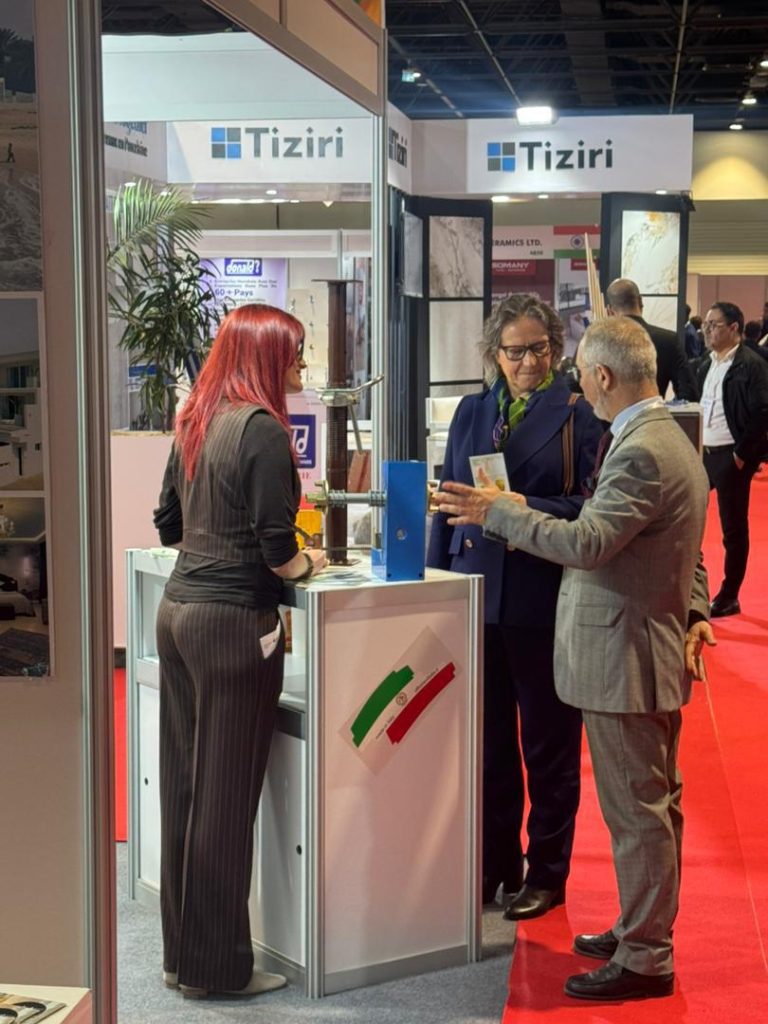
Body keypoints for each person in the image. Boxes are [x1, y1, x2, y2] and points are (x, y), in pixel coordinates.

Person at [436, 315, 715, 1002]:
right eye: (517, 351)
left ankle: (645, 953)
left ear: (603, 375)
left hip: (620, 651)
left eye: (566, 363)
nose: (555, 373)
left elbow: (589, 541)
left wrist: (500, 511)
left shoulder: (637, 447)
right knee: (646, 807)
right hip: (609, 638)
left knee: (636, 811)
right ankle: (638, 929)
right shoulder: (661, 437)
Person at [153, 304, 327, 999]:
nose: (301, 366)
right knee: (224, 802)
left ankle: (182, 957)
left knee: (185, 789)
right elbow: (278, 549)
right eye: (295, 352)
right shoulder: (261, 430)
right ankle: (218, 969)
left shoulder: (196, 418)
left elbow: (168, 524)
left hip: (177, 614)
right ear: (266, 356)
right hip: (232, 626)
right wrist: (310, 564)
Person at [426, 294, 604, 920]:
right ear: (493, 355)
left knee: (549, 746)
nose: (529, 362)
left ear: (556, 348)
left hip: (542, 596)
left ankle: (547, 871)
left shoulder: (580, 415)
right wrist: (438, 584)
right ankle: (493, 861)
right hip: (477, 595)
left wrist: (523, 508)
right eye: (515, 351)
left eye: (540, 349)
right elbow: (449, 503)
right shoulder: (473, 412)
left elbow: (592, 510)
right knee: (488, 743)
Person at [694, 302, 768, 617]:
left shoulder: (751, 364)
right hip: (703, 454)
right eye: (705, 325)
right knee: (687, 516)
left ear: (734, 328)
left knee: (733, 530)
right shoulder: (705, 364)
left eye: (714, 325)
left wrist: (741, 455)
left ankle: (729, 595)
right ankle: (690, 584)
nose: (707, 330)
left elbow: (762, 413)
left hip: (731, 456)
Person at [605, 278, 698, 400]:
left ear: (609, 311)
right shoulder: (668, 340)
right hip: (653, 410)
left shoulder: (601, 343)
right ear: (641, 302)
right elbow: (689, 393)